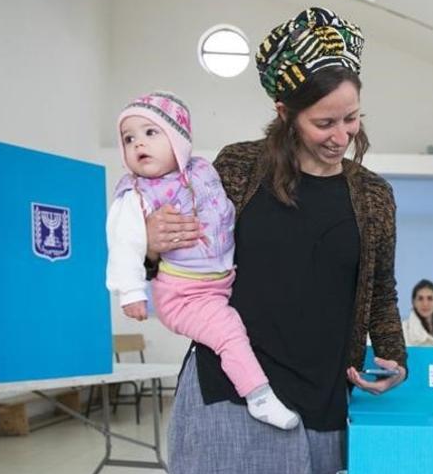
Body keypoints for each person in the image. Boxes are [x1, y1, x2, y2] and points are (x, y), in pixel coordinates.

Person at [152, 7, 407, 474]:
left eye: (352, 118)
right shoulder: (236, 169)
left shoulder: (371, 194)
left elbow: (381, 289)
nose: (341, 135)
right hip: (226, 393)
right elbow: (181, 258)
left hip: (315, 400)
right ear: (284, 114)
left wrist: (393, 357)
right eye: (324, 122)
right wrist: (150, 243)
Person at [106, 91, 299, 431]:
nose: (139, 144)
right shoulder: (135, 195)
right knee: (229, 333)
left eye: (151, 133)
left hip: (218, 281)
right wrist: (131, 292)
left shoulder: (203, 170)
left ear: (179, 140)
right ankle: (259, 396)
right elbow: (124, 244)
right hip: (185, 294)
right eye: (128, 138)